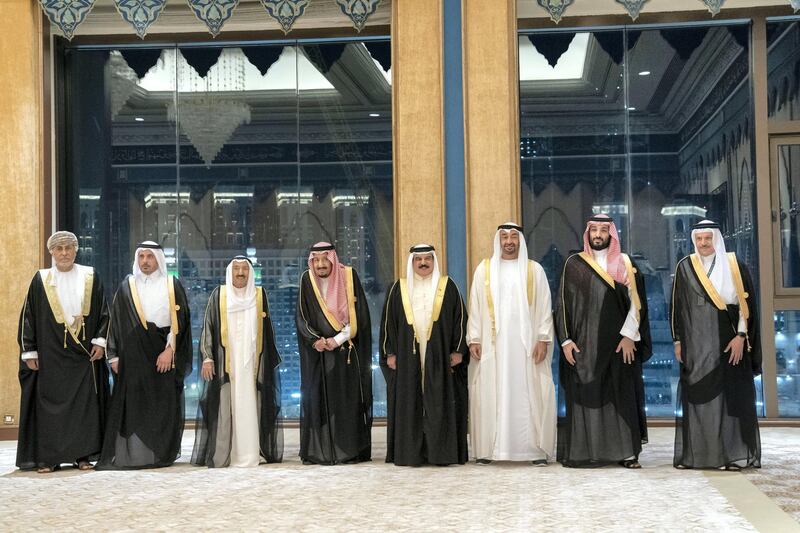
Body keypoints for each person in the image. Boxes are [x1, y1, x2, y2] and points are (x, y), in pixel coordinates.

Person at [554, 214, 651, 468]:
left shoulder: (625, 264)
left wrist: (630, 336)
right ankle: (588, 451)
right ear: (588, 233)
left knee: (621, 395)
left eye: (603, 230)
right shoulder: (574, 264)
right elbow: (562, 304)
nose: (598, 234)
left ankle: (627, 454)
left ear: (612, 234)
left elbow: (636, 304)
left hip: (619, 344)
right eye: (594, 230)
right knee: (586, 394)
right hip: (584, 345)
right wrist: (565, 340)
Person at [16, 231, 110, 473]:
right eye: (59, 249)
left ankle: (83, 455)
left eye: (69, 248)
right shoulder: (41, 279)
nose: (64, 253)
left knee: (84, 407)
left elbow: (103, 312)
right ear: (51, 253)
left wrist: (100, 342)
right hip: (51, 355)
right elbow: (28, 317)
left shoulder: (90, 276)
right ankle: (50, 458)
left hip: (83, 356)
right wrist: (30, 351)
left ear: (76, 250)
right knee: (50, 407)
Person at [671, 220, 761, 470]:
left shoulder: (734, 266)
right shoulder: (685, 266)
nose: (703, 244)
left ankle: (729, 455)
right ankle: (699, 454)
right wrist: (678, 340)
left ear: (717, 239)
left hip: (729, 343)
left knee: (728, 400)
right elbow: (677, 308)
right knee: (700, 399)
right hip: (696, 345)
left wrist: (741, 337)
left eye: (708, 239)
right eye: (699, 239)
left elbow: (746, 306)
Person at [96, 241, 192, 470]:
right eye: (142, 257)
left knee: (162, 405)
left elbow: (182, 323)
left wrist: (170, 351)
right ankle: (133, 455)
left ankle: (159, 454)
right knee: (133, 405)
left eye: (150, 256)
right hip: (132, 356)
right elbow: (115, 323)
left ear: (158, 259)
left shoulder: (171, 284)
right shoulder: (127, 286)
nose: (146, 261)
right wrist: (113, 356)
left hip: (162, 353)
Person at [466, 223, 556, 465]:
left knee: (529, 393)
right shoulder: (483, 271)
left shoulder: (534, 270)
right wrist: (474, 338)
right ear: (498, 240)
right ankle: (489, 450)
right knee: (491, 392)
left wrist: (543, 339)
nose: (509, 241)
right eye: (504, 237)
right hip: (492, 346)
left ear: (521, 241)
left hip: (526, 348)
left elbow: (546, 307)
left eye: (513, 237)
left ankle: (533, 451)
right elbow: (474, 307)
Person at [380, 244, 469, 466]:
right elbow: (387, 324)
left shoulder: (448, 287)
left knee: (438, 402)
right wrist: (390, 353)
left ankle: (441, 453)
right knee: (410, 402)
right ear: (411, 262)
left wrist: (458, 351)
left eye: (427, 259)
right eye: (418, 259)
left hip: (439, 356)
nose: (423, 263)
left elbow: (460, 320)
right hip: (407, 356)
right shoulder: (397, 288)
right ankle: (411, 454)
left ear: (434, 261)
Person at [192, 256, 282, 467]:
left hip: (252, 364)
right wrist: (207, 357)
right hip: (226, 364)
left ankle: (251, 453)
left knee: (251, 407)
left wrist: (268, 363)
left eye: (244, 269)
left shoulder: (259, 295)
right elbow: (208, 327)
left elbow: (267, 331)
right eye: (237, 269)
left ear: (250, 273)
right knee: (225, 408)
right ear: (230, 273)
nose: (240, 273)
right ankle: (225, 454)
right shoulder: (219, 295)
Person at [295, 242, 372, 464]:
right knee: (318, 399)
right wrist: (316, 340)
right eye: (315, 260)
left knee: (346, 402)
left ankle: (348, 450)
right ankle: (321, 451)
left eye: (324, 259)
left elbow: (359, 314)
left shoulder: (349, 276)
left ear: (332, 258)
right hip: (317, 352)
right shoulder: (306, 280)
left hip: (345, 350)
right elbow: (301, 316)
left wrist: (337, 340)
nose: (320, 264)